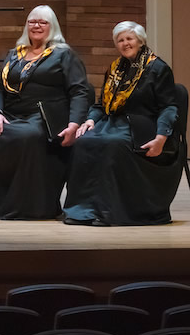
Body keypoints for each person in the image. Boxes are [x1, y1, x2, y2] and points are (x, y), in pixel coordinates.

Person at [0, 6, 91, 220]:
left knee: (27, 137)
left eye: (42, 22)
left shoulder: (64, 54)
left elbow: (80, 91)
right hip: (12, 113)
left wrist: (74, 124)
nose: (36, 26)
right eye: (32, 22)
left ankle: (26, 206)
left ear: (52, 26)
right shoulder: (14, 54)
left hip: (46, 116)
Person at [64, 21, 184, 226]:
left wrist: (161, 137)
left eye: (129, 38)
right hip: (113, 122)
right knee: (84, 142)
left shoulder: (157, 67)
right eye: (120, 40)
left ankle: (108, 212)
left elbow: (169, 107)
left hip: (144, 124)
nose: (125, 43)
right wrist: (90, 120)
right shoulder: (115, 68)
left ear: (140, 41)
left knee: (113, 145)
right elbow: (102, 104)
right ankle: (82, 211)